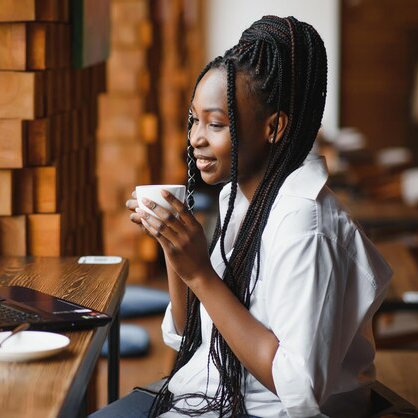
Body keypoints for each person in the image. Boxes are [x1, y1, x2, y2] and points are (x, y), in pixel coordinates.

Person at [91, 15, 392, 418]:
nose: (196, 137)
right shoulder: (240, 198)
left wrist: (200, 273)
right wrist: (173, 247)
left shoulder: (305, 224)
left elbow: (299, 388)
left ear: (275, 127)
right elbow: (186, 334)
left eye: (215, 123)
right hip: (211, 392)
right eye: (193, 120)